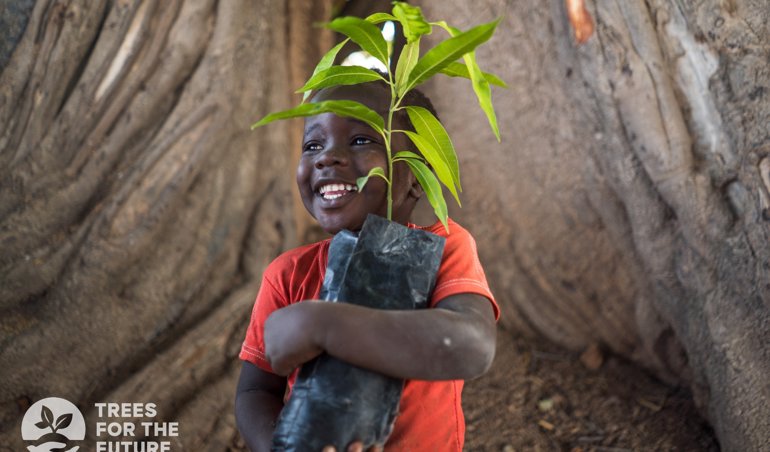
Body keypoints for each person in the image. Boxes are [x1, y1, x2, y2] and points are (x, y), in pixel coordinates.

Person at [235, 80, 499, 452]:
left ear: (416, 175)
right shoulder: (288, 273)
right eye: (313, 145)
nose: (327, 157)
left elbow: (473, 345)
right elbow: (255, 390)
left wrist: (322, 325)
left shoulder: (444, 246)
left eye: (361, 140)